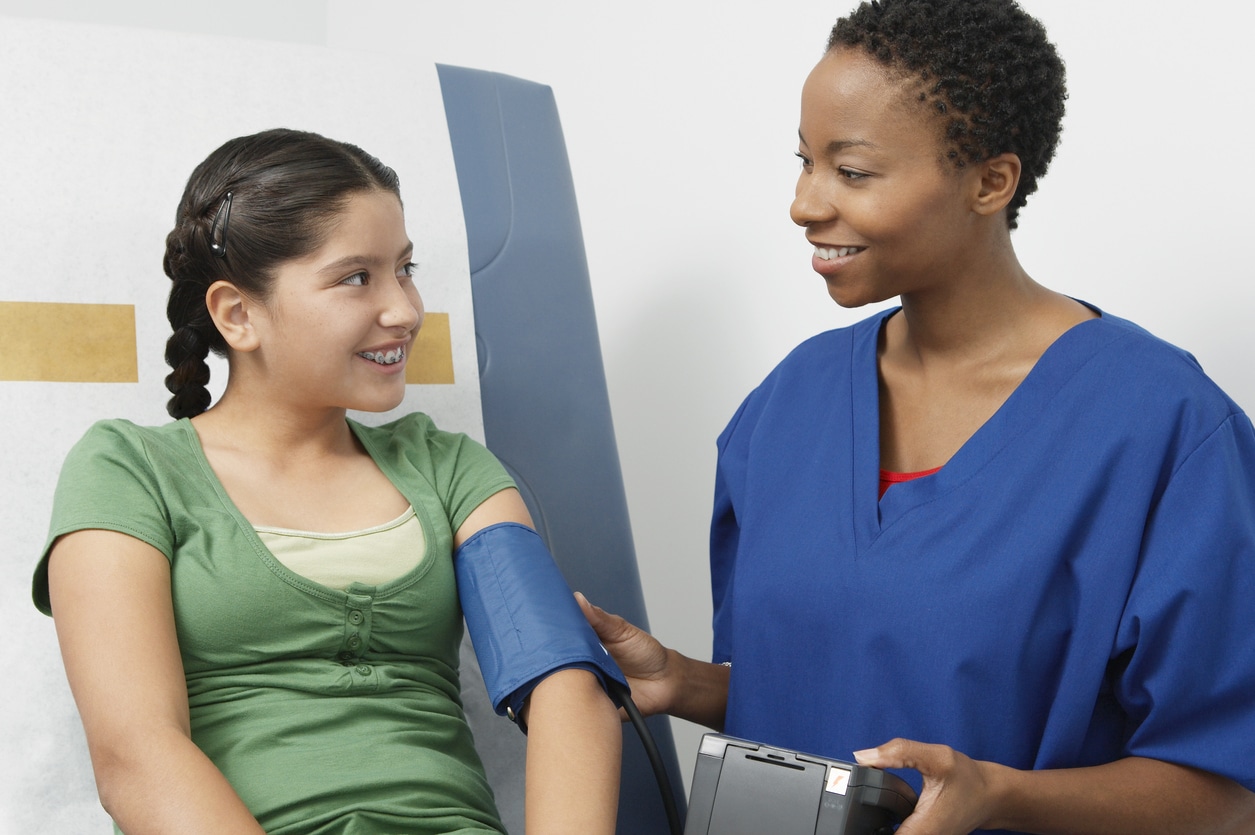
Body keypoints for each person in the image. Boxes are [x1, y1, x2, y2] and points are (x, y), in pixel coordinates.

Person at [579, 1, 1255, 833]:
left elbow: (1223, 789)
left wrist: (999, 795)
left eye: (852, 172)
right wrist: (687, 681)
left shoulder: (1159, 427)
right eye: (804, 162)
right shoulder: (788, 405)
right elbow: (837, 699)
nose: (804, 203)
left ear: (990, 181)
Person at [32, 128, 621, 834]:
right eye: (355, 277)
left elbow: (561, 682)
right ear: (237, 314)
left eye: (405, 268)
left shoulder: (449, 469)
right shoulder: (127, 471)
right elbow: (135, 756)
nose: (404, 309)